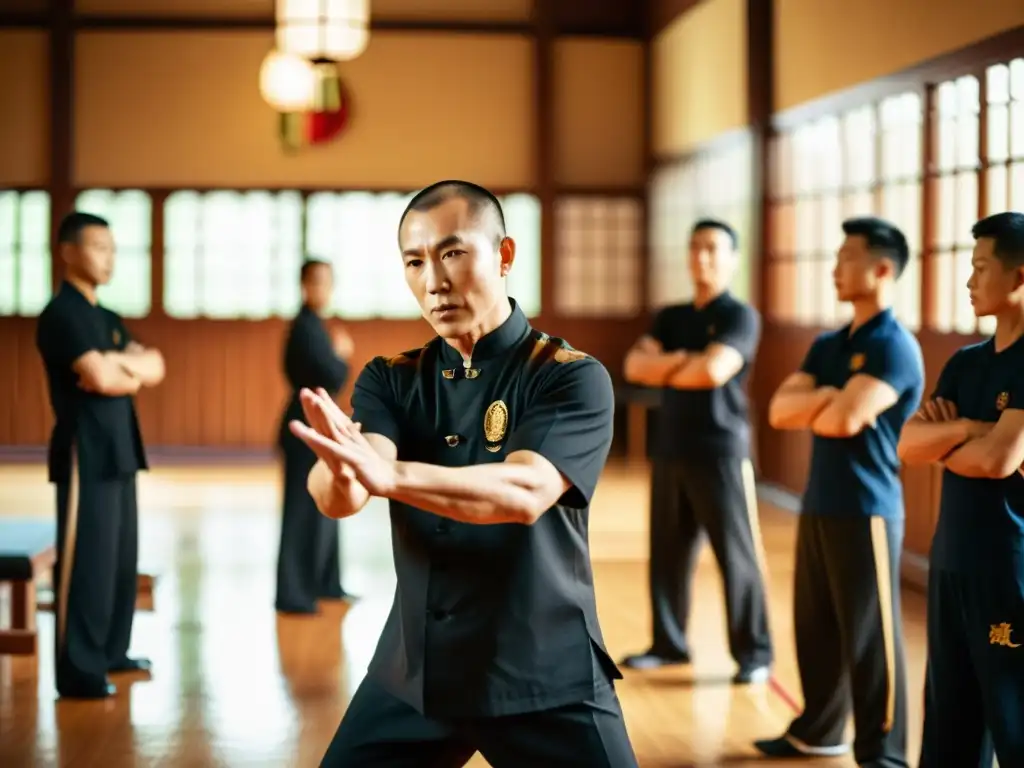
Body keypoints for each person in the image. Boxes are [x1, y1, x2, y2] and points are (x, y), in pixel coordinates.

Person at [289, 180, 638, 767]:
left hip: (544, 672)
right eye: (414, 261)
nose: (434, 280)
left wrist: (388, 476)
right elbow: (341, 491)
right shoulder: (393, 378)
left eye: (452, 253)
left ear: (504, 255)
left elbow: (525, 490)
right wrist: (342, 474)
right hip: (418, 670)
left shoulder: (569, 375)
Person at [755, 217, 922, 767]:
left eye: (847, 257)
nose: (835, 267)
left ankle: (884, 752)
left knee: (872, 639)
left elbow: (845, 420)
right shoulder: (830, 344)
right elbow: (782, 411)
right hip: (821, 501)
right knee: (817, 625)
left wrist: (824, 401)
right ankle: (819, 730)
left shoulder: (894, 346)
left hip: (868, 509)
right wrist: (829, 398)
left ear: (880, 269)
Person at [618, 218, 773, 684]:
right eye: (695, 248)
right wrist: (689, 360)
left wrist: (667, 365)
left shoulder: (738, 316)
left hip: (721, 450)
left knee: (736, 556)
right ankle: (668, 645)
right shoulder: (670, 317)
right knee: (667, 552)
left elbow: (713, 372)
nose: (701, 257)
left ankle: (754, 654)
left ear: (732, 258)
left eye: (712, 248)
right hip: (671, 448)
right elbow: (632, 366)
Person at [897, 211, 1024, 767]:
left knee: (1014, 718)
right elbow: (908, 445)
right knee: (949, 721)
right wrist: (969, 430)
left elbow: (999, 461)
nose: (969, 281)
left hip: (1009, 568)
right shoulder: (966, 362)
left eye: (980, 268)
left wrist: (950, 443)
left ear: (1019, 276)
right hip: (950, 563)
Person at [36, 211, 165, 699]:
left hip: (120, 449)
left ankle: (112, 652)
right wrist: (122, 370)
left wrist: (120, 366)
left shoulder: (107, 318)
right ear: (68, 251)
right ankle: (79, 671)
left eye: (112, 248)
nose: (109, 257)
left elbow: (155, 365)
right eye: (98, 247)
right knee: (85, 565)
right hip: (83, 452)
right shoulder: (61, 313)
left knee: (118, 560)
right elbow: (102, 378)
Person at [275, 258, 355, 614]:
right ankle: (293, 594)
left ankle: (326, 583)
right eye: (316, 282)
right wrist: (341, 355)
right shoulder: (305, 328)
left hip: (319, 425)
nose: (322, 289)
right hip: (303, 428)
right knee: (302, 512)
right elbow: (331, 375)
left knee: (328, 505)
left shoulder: (316, 326)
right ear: (304, 285)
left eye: (328, 282)